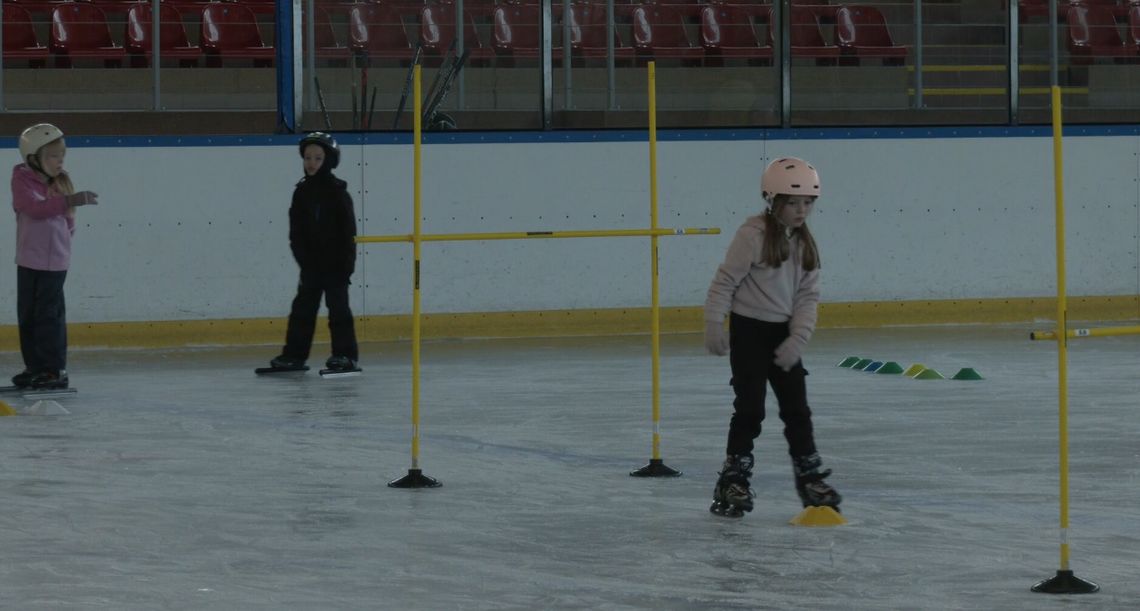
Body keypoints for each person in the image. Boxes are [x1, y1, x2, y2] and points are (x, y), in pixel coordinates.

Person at [703, 156, 841, 518]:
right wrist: (715, 324)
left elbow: (808, 298)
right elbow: (725, 282)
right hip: (749, 332)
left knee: (797, 409)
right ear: (773, 201)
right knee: (750, 408)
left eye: (808, 203)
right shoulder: (753, 235)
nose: (801, 210)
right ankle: (734, 478)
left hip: (783, 334)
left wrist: (798, 337)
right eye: (793, 203)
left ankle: (809, 476)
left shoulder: (806, 245)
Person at [10, 123, 98, 390]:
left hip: (55, 264)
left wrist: (62, 246)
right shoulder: (21, 180)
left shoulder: (61, 183)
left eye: (62, 156)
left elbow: (69, 223)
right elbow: (34, 208)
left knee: (49, 316)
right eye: (52, 156)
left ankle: (53, 370)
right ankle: (34, 367)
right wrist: (69, 200)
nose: (59, 161)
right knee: (28, 315)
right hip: (28, 260)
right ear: (33, 158)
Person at [268, 132, 359, 372]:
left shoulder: (339, 193)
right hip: (311, 266)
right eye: (307, 157)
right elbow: (296, 233)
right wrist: (304, 261)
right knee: (302, 311)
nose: (311, 163)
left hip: (336, 266)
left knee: (339, 311)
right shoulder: (301, 193)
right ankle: (294, 355)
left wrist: (345, 266)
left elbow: (348, 234)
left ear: (328, 160)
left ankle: (345, 355)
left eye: (318, 158)